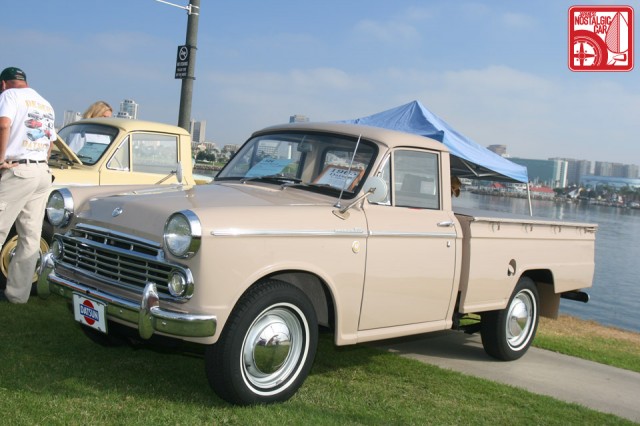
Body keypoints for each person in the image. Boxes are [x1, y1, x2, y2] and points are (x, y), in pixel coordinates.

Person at [0, 67, 56, 303]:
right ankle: (17, 295)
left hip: (19, 170)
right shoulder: (45, 103)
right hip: (42, 171)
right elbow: (51, 141)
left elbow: (4, 124)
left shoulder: (9, 95)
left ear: (4, 84)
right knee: (31, 237)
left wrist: (1, 158)